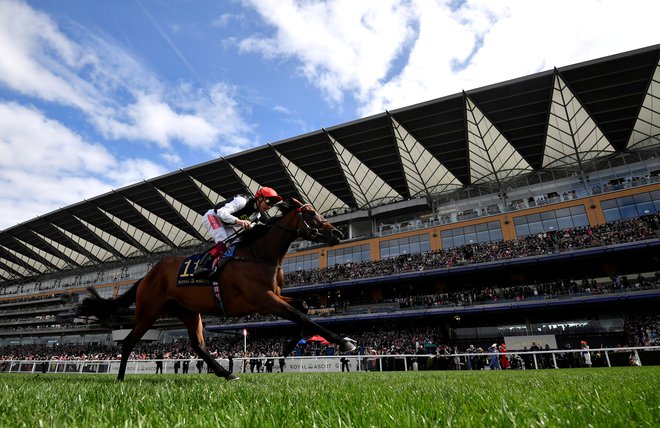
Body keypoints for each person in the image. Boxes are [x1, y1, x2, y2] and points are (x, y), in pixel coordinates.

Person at [193, 187, 282, 276]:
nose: (269, 206)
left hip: (227, 224)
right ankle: (201, 266)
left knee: (235, 244)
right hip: (213, 216)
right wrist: (239, 221)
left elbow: (251, 230)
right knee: (223, 239)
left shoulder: (257, 216)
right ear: (260, 198)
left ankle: (223, 267)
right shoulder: (242, 201)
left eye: (272, 204)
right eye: (268, 202)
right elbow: (221, 212)